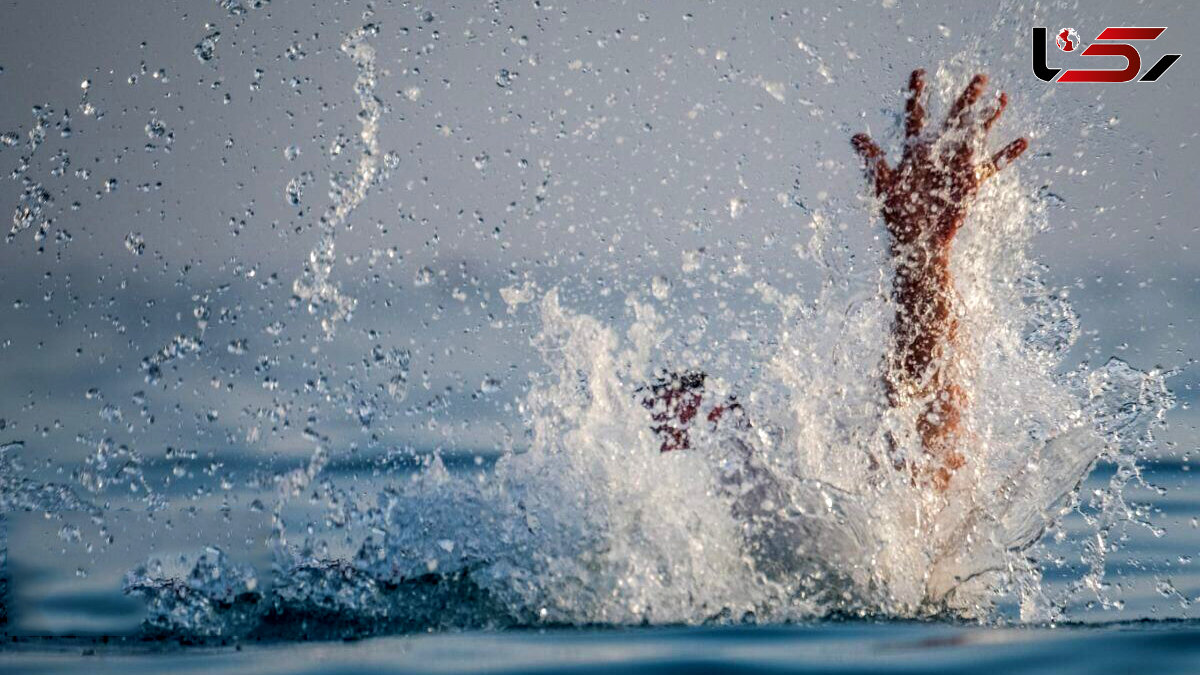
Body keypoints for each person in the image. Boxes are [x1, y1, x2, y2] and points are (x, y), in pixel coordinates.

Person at [643, 70, 1028, 492]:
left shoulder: (791, 490)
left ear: (728, 413)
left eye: (694, 421)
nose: (672, 444)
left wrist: (922, 259)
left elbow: (921, 469)